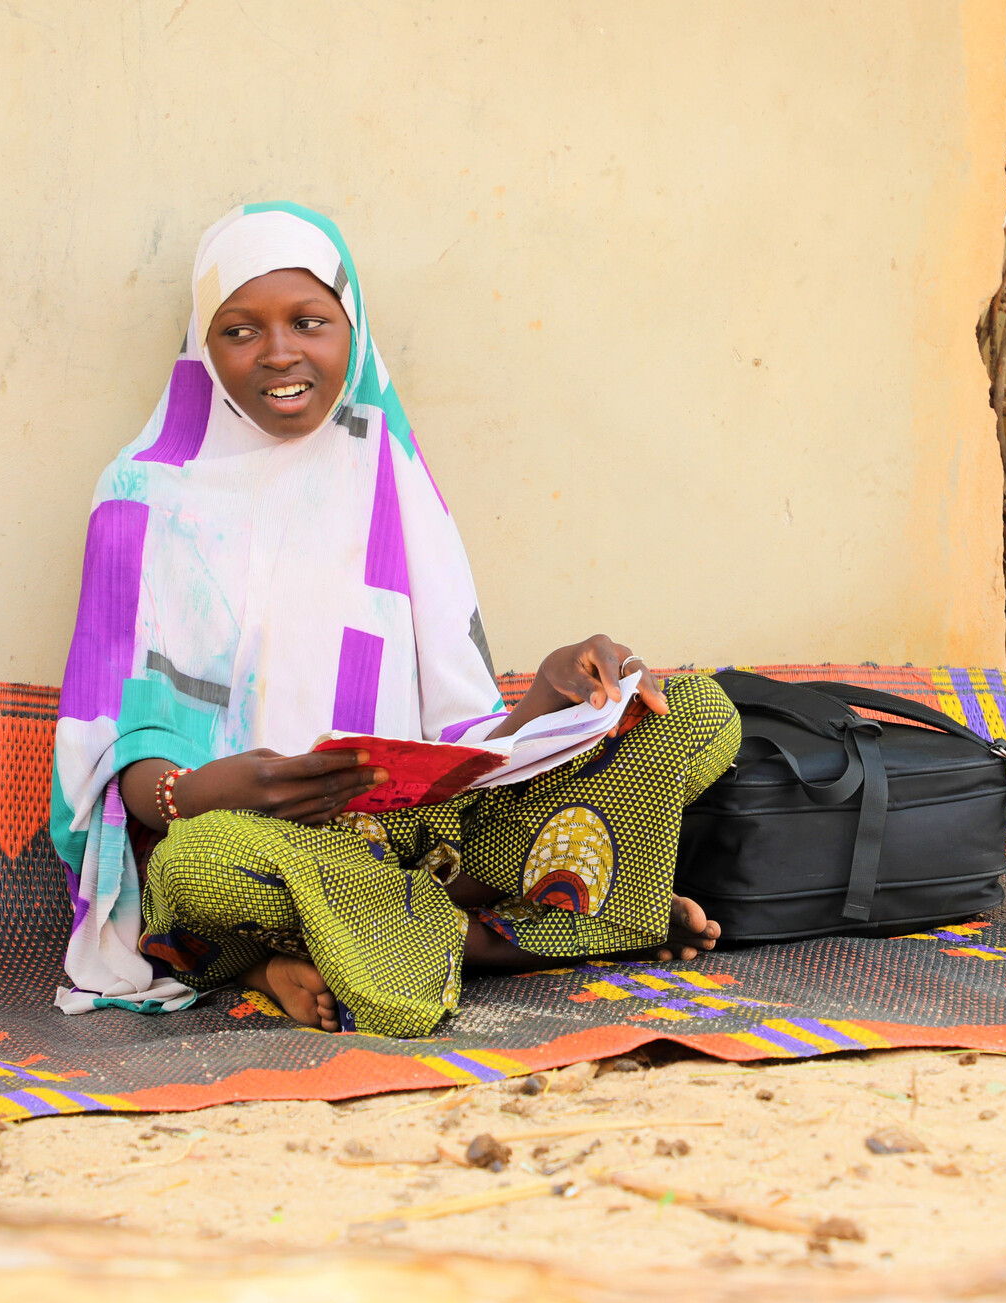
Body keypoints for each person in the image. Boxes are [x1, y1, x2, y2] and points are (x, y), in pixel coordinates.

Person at [49, 202, 739, 1036]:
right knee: (198, 872)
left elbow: (462, 741)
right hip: (255, 838)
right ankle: (523, 928)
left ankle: (364, 937)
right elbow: (112, 766)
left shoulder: (387, 471)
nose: (279, 354)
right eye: (240, 330)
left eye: (309, 321)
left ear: (353, 327)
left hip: (418, 833)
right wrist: (221, 787)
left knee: (699, 712)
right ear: (203, 343)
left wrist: (554, 697)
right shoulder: (143, 494)